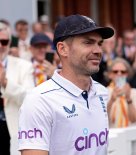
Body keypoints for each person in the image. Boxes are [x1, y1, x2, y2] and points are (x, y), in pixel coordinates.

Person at [18, 14, 114, 155]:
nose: (98, 50)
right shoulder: (38, 100)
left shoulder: (102, 92)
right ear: (63, 49)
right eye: (88, 42)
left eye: (99, 43)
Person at [0, 22, 35, 155]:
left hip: (12, 130)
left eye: (3, 41)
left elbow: (29, 98)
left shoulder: (24, 66)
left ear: (9, 43)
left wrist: (5, 83)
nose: (0, 46)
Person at [107, 58, 136, 128]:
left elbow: (134, 119)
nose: (119, 74)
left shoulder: (135, 92)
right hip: (113, 135)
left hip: (132, 135)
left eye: (123, 72)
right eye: (115, 71)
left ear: (127, 74)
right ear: (110, 75)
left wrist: (128, 98)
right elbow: (101, 118)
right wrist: (111, 101)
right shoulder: (103, 92)